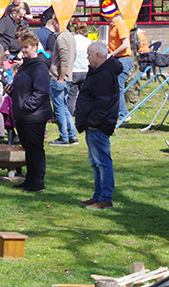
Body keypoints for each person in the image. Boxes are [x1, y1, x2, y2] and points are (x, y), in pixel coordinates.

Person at [74, 41, 121, 210]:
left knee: (102, 161)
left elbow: (104, 103)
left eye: (89, 55)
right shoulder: (98, 72)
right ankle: (98, 195)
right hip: (93, 123)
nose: (87, 58)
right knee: (96, 162)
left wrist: (93, 122)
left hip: (99, 125)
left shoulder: (105, 75)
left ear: (98, 56)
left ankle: (105, 197)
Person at [7, 32, 51, 193]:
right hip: (23, 114)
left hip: (34, 115)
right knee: (28, 148)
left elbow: (41, 91)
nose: (23, 50)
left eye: (26, 47)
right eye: (22, 47)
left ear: (34, 47)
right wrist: (12, 92)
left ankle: (38, 181)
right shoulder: (26, 66)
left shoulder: (39, 67)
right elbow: (24, 88)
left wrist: (26, 105)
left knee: (36, 149)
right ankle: (30, 179)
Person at [48, 17, 78, 146]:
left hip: (58, 78)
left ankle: (63, 137)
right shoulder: (70, 36)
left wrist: (60, 76)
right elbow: (73, 55)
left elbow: (65, 59)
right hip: (68, 76)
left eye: (53, 22)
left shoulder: (61, 38)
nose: (52, 24)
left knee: (59, 108)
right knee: (64, 107)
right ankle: (72, 135)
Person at [102, 0, 132, 123]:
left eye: (108, 17)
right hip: (116, 59)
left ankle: (123, 114)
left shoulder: (120, 24)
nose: (107, 20)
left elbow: (126, 44)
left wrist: (112, 54)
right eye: (106, 17)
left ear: (115, 14)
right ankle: (117, 112)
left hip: (123, 59)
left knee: (118, 87)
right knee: (114, 87)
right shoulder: (112, 25)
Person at [68, 22, 92, 115]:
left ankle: (69, 116)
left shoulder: (72, 40)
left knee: (71, 96)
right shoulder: (88, 41)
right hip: (85, 70)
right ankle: (83, 114)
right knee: (85, 96)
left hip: (74, 70)